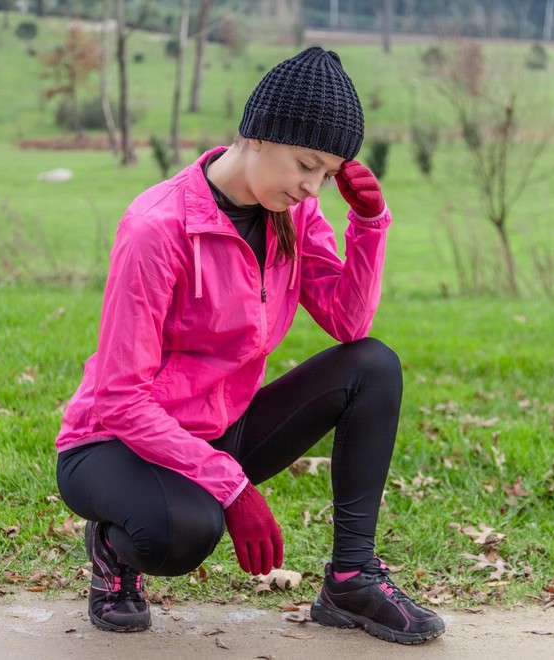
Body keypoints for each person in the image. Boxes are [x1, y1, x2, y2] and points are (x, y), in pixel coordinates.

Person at [54, 46, 445, 645]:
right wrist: (231, 487)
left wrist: (370, 225)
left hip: (219, 426)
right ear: (259, 136)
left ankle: (351, 578)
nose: (313, 187)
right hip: (114, 444)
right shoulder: (157, 228)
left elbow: (348, 323)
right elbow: (119, 398)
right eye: (306, 164)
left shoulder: (293, 213)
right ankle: (111, 549)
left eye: (328, 174)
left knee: (373, 366)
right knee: (185, 531)